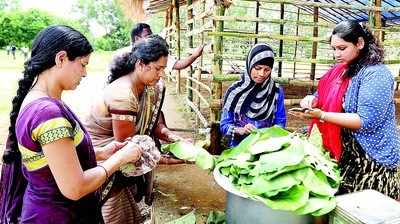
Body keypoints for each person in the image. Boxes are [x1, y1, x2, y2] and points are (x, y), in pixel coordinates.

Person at [0, 25, 144, 223]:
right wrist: (119, 159)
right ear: (61, 59)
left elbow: (52, 157)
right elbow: (75, 188)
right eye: (83, 64)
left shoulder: (38, 100)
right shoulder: (47, 114)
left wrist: (102, 152)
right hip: (56, 216)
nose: (84, 73)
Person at [294, 20, 400, 200]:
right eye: (334, 49)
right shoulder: (343, 70)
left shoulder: (376, 74)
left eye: (342, 48)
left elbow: (365, 121)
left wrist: (322, 115)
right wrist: (312, 99)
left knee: (362, 209)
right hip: (346, 152)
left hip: (371, 158)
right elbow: (324, 93)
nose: (336, 54)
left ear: (359, 43)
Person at [85, 35, 184, 223]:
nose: (161, 74)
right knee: (114, 215)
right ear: (140, 64)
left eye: (163, 69)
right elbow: (127, 149)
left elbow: (153, 122)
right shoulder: (123, 94)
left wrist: (171, 136)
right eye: (157, 68)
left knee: (128, 212)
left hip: (122, 159)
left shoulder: (148, 87)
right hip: (106, 160)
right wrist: (168, 160)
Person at [220, 43, 286, 147]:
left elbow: (280, 123)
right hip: (237, 149)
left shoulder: (276, 91)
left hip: (265, 147)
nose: (261, 74)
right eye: (258, 68)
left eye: (267, 70)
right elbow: (224, 125)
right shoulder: (234, 92)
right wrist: (240, 130)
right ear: (249, 65)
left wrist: (266, 135)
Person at [116, 22, 204, 73]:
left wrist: (195, 55)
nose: (151, 38)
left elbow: (178, 64)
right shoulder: (122, 56)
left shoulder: (155, 53)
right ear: (137, 38)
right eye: (147, 36)